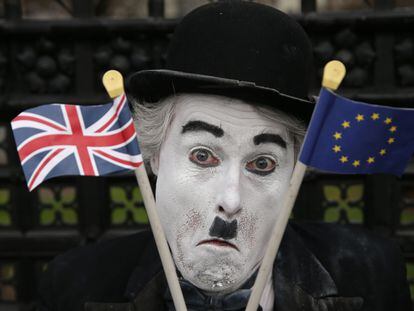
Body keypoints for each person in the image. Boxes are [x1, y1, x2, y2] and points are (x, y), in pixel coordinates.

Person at [38, 2, 412, 311]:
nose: (230, 201)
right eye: (202, 156)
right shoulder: (73, 286)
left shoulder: (372, 274)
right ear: (154, 154)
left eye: (262, 164)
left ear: (294, 173)